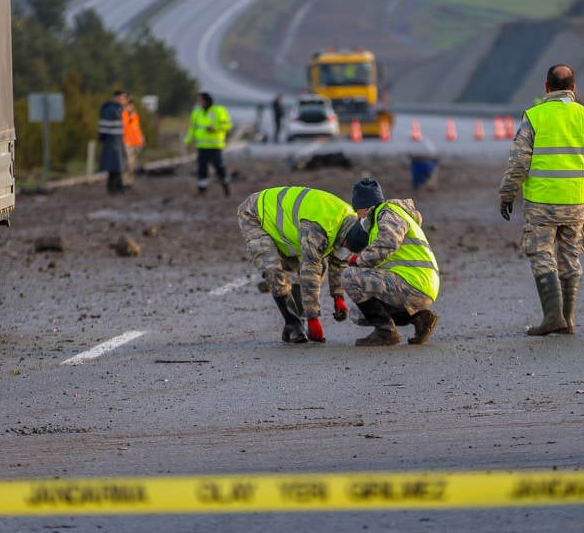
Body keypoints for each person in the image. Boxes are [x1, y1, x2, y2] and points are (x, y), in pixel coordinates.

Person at [499, 64, 584, 336]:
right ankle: (568, 320)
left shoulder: (535, 116)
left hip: (542, 204)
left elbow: (518, 163)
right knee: (570, 256)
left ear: (546, 88)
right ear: (573, 88)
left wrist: (507, 193)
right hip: (577, 202)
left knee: (541, 255)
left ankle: (552, 317)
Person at [237, 186, 368, 344]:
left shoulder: (352, 223)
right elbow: (309, 271)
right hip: (255, 213)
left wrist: (338, 297)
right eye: (346, 245)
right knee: (274, 269)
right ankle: (292, 324)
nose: (345, 250)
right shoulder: (318, 227)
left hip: (288, 227)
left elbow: (339, 260)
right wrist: (314, 318)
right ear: (345, 237)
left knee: (318, 265)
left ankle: (299, 319)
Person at [341, 178, 440, 347]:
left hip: (414, 282)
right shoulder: (387, 218)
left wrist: (359, 261)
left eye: (357, 212)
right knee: (359, 315)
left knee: (349, 276)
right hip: (420, 284)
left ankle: (386, 332)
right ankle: (420, 318)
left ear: (364, 207)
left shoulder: (388, 213)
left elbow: (388, 243)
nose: (358, 218)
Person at [185, 91, 232, 196]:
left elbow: (227, 125)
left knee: (219, 167)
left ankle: (225, 186)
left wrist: (215, 129)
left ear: (206, 101)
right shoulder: (196, 112)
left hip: (215, 146)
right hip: (201, 146)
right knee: (201, 169)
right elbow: (192, 128)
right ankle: (202, 191)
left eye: (200, 100)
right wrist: (187, 141)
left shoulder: (219, 110)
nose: (198, 102)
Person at [98, 90, 128, 195]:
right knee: (115, 166)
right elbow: (104, 126)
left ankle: (117, 187)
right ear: (116, 98)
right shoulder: (110, 109)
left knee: (118, 166)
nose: (124, 100)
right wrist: (102, 138)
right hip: (112, 141)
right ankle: (113, 189)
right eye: (122, 98)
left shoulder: (119, 109)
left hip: (118, 140)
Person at [121, 95, 144, 189]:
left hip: (136, 142)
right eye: (127, 104)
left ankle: (129, 182)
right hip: (126, 142)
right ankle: (124, 182)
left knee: (133, 164)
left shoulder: (135, 115)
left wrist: (141, 138)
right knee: (129, 163)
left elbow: (137, 128)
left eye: (131, 104)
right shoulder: (122, 115)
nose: (129, 106)